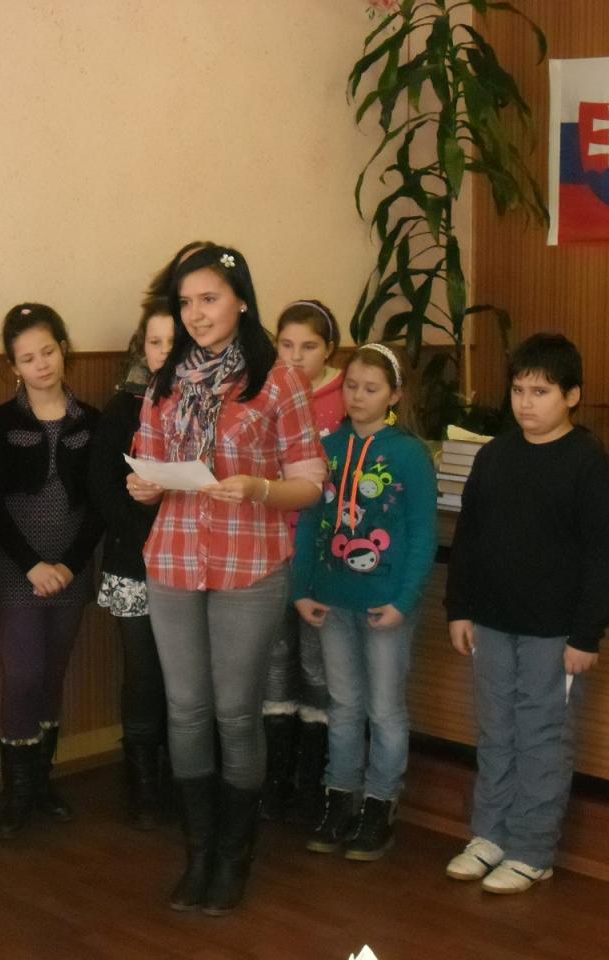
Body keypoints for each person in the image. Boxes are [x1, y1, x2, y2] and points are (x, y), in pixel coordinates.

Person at [129, 243, 325, 915]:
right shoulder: (165, 382)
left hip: (250, 564)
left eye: (208, 299)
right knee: (185, 710)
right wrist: (143, 486)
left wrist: (259, 488)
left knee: (236, 713)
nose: (196, 314)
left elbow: (310, 483)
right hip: (173, 561)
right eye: (185, 302)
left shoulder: (278, 381)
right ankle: (199, 856)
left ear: (241, 300)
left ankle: (234, 860)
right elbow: (150, 465)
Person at [444, 332, 609, 894]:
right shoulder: (494, 456)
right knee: (495, 729)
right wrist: (459, 608)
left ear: (572, 396)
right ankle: (490, 835)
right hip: (493, 622)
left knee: (542, 737)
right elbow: (469, 539)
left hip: (555, 633)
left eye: (541, 391)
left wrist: (587, 635)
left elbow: (607, 557)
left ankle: (531, 848)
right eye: (519, 390)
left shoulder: (590, 465)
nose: (526, 403)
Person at [292, 343, 436, 861]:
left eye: (371, 389)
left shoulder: (409, 454)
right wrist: (301, 588)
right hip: (333, 600)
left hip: (386, 604)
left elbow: (422, 533)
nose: (357, 396)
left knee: (385, 708)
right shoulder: (327, 447)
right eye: (351, 385)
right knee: (344, 704)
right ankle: (340, 797)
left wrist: (405, 599)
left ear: (394, 395)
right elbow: (309, 520)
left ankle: (380, 804)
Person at [0, 303, 102, 838]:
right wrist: (33, 565)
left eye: (48, 351)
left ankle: (42, 783)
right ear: (13, 366)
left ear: (64, 349)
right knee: (23, 674)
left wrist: (68, 566)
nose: (41, 365)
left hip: (72, 569)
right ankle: (16, 793)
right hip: (18, 570)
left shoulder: (91, 421)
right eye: (27, 358)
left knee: (53, 674)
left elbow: (99, 505)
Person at [88, 297, 176, 829]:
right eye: (155, 342)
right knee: (143, 674)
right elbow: (103, 485)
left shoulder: (210, 404)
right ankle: (143, 781)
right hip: (135, 559)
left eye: (173, 342)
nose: (163, 352)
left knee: (185, 678)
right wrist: (142, 525)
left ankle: (182, 776)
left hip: (191, 561)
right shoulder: (124, 406)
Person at [262, 299, 346, 824]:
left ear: (330, 349)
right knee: (275, 657)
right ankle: (275, 778)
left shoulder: (347, 395)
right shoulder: (267, 390)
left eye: (309, 347)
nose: (295, 358)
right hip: (272, 542)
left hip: (322, 550)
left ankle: (314, 779)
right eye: (286, 346)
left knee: (318, 663)